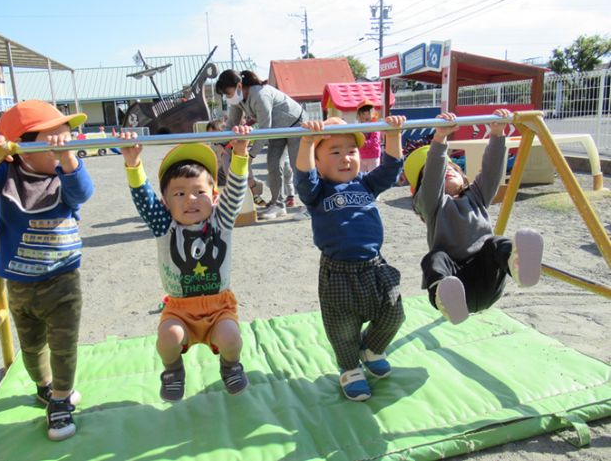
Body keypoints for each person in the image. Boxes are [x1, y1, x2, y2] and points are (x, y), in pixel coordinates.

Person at [0, 100, 94, 441]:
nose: (65, 142)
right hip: (19, 283)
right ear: (23, 147)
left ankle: (60, 400)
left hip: (63, 279)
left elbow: (83, 193)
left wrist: (67, 158)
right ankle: (44, 386)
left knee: (63, 344)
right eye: (55, 138)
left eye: (67, 136)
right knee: (31, 346)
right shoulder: (5, 173)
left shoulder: (66, 174)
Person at [119, 127, 252, 402]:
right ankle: (173, 370)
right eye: (179, 194)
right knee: (168, 337)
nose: (190, 199)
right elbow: (143, 199)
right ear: (166, 203)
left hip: (218, 307)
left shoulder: (221, 221)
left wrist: (240, 154)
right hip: (180, 309)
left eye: (198, 191)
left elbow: (237, 190)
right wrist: (133, 165)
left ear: (214, 196)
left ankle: (230, 366)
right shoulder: (164, 226)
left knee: (230, 337)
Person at [295, 116, 407, 402]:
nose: (346, 158)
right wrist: (307, 141)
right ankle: (349, 369)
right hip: (338, 272)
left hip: (375, 265)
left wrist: (393, 133)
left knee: (394, 312)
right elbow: (303, 177)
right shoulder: (317, 192)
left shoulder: (366, 185)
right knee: (342, 327)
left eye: (352, 151)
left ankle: (371, 349)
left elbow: (392, 168)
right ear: (318, 162)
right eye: (335, 152)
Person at [403, 110, 544, 325]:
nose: (448, 171)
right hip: (456, 284)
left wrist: (497, 135)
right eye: (443, 170)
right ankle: (444, 296)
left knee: (496, 242)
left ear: (463, 175)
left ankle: (517, 267)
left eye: (453, 169)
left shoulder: (477, 196)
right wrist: (440, 140)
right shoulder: (432, 206)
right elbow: (432, 180)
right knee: (434, 259)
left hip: (488, 277)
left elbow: (492, 171)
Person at [215, 69, 308, 220]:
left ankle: (309, 205)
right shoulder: (237, 101)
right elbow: (232, 122)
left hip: (296, 124)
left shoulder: (260, 94)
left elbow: (265, 129)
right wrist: (220, 142)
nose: (227, 97)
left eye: (228, 93)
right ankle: (278, 204)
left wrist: (251, 155)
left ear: (239, 86)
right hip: (277, 130)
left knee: (297, 164)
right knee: (272, 164)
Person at [355, 99, 382, 173]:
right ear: (359, 116)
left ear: (372, 114)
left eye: (368, 113)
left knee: (374, 174)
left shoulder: (375, 126)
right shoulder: (358, 127)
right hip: (361, 155)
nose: (366, 116)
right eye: (363, 114)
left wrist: (363, 143)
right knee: (360, 174)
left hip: (373, 155)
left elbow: (375, 140)